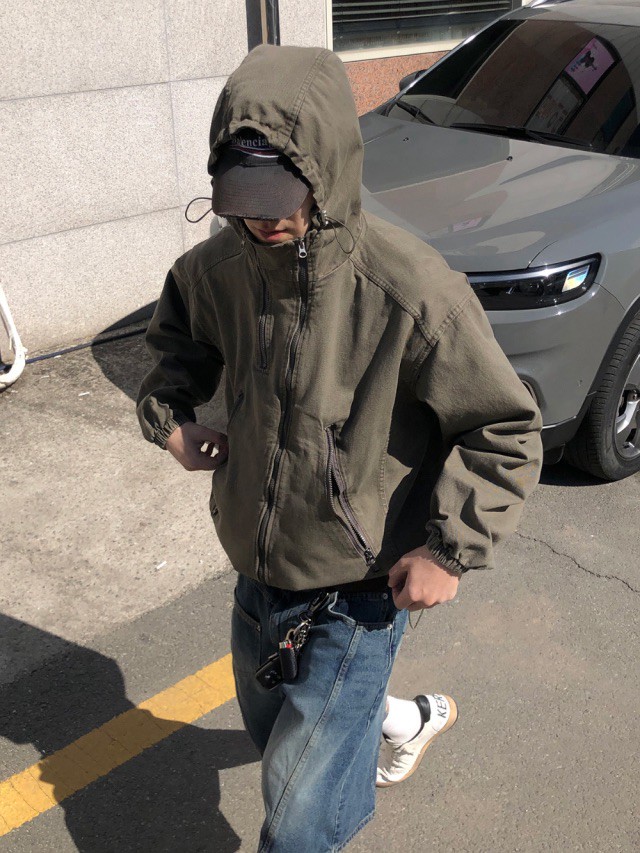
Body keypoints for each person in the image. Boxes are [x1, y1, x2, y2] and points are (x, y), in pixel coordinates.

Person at [137, 44, 543, 852]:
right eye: (243, 199)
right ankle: (406, 720)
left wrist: (450, 551)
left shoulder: (410, 288)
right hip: (258, 572)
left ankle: (366, 721)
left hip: (359, 593)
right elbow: (175, 347)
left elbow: (504, 426)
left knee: (297, 821)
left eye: (282, 198)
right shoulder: (219, 270)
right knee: (275, 735)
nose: (264, 220)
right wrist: (172, 421)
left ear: (326, 174)